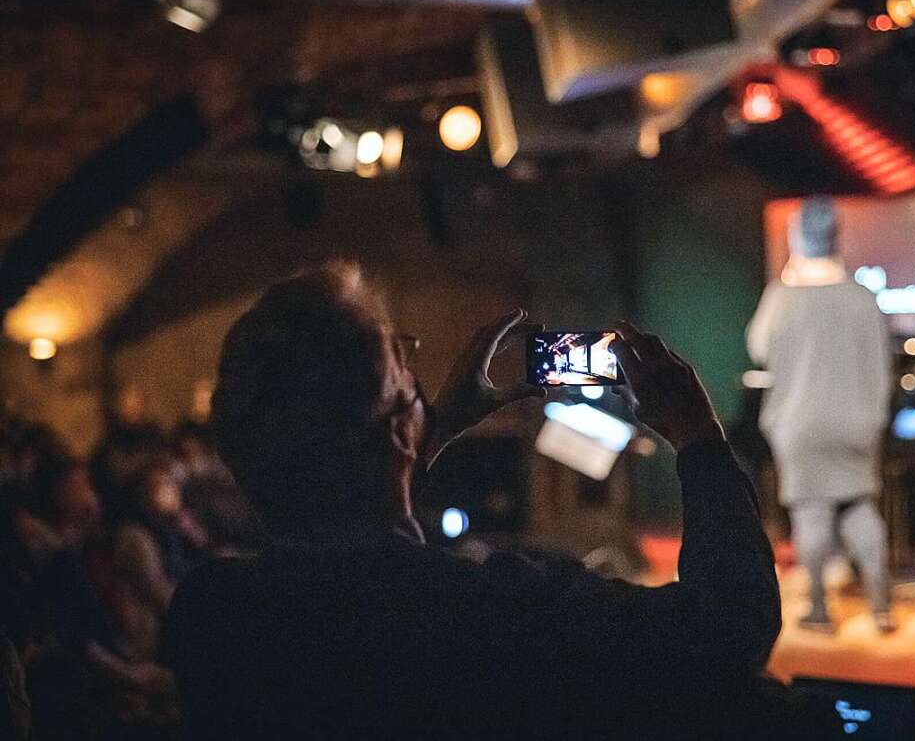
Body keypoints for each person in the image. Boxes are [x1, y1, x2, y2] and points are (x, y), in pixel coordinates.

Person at [166, 263, 828, 739]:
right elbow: (731, 630)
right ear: (400, 424)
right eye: (404, 361)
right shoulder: (497, 607)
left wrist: (424, 430)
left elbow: (346, 544)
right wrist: (698, 437)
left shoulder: (210, 612)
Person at [747, 196, 894, 634]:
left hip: (801, 424)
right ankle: (881, 607)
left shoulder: (783, 298)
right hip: (859, 423)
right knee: (860, 507)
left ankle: (818, 609)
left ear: (797, 238)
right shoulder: (863, 299)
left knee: (812, 513)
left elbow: (759, 350)